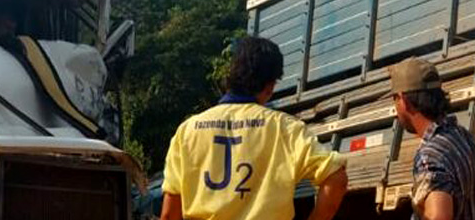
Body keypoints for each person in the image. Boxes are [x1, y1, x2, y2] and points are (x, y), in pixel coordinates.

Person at [160, 36, 348, 220]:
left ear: (231, 74)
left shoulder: (187, 131)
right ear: (270, 85)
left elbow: (169, 215)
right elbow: (336, 179)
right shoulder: (285, 128)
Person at [390, 57, 475, 220]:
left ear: (404, 101)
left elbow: (439, 216)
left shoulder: (429, 157)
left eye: (395, 98)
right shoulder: (462, 136)